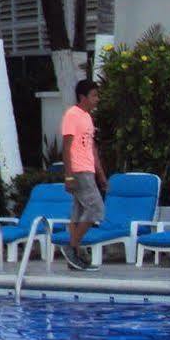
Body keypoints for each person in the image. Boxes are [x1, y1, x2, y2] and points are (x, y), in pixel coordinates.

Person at [60, 78, 106, 270]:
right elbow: (66, 146)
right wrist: (69, 175)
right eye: (94, 95)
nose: (97, 99)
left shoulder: (87, 117)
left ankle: (75, 258)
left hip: (88, 170)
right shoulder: (72, 115)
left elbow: (92, 148)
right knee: (97, 209)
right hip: (78, 170)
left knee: (78, 212)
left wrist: (101, 174)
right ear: (83, 97)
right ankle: (72, 247)